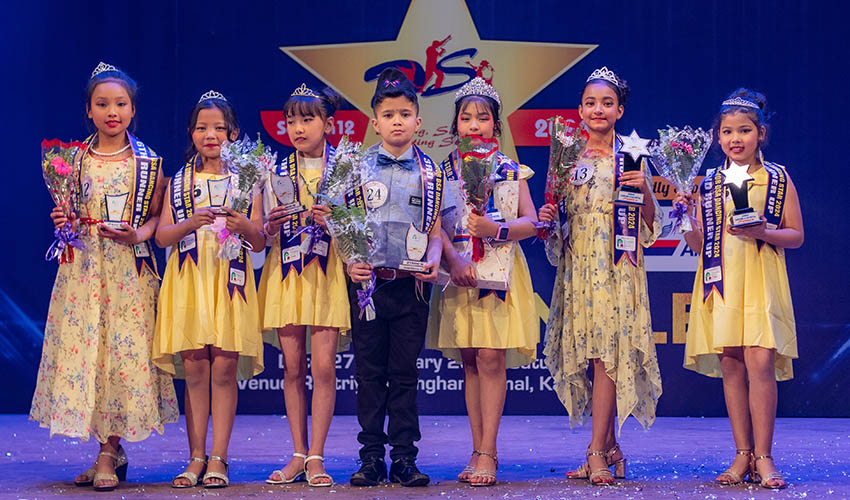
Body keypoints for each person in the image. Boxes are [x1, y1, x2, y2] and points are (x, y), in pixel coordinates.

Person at [30, 62, 178, 492]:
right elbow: (70, 212)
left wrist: (139, 234)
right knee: (92, 360)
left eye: (121, 104)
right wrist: (64, 218)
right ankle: (107, 451)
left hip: (127, 272)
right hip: (84, 271)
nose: (112, 112)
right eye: (102, 104)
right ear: (89, 110)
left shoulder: (147, 162)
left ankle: (108, 453)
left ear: (133, 110)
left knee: (120, 359)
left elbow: (157, 217)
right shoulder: (72, 160)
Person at [538, 66, 662, 485]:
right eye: (590, 103)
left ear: (619, 110)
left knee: (606, 353)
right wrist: (548, 216)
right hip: (579, 268)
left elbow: (650, 225)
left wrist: (644, 189)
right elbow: (558, 217)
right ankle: (612, 450)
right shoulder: (567, 155)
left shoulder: (632, 154)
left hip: (617, 265)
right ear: (580, 110)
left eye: (607, 103)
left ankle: (595, 452)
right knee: (591, 353)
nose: (598, 109)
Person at [677, 89, 802, 490]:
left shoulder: (777, 178)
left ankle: (764, 456)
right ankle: (742, 453)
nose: (736, 139)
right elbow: (699, 245)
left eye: (744, 130)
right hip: (722, 280)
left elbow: (796, 235)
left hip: (761, 279)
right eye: (728, 131)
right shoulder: (710, 183)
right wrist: (686, 216)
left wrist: (763, 230)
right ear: (718, 137)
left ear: (760, 133)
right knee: (731, 364)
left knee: (760, 363)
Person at [426, 77, 539, 486]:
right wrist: (453, 258)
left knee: (491, 358)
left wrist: (496, 229)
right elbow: (434, 225)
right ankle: (476, 449)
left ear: (496, 124)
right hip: (460, 273)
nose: (474, 125)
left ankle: (490, 450)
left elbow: (532, 222)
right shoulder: (443, 171)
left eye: (483, 118)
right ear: (455, 124)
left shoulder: (510, 169)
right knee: (471, 360)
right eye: (466, 118)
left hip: (499, 273)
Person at [153, 90, 265, 489]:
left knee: (224, 370)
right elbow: (162, 237)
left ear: (233, 132)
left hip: (229, 283)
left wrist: (243, 225)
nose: (210, 135)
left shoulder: (246, 180)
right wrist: (190, 222)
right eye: (202, 128)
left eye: (219, 127)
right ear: (191, 133)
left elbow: (260, 241)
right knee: (196, 369)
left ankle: (219, 456)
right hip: (190, 281)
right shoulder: (180, 180)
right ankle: (195, 456)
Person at [346, 68, 443, 487]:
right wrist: (350, 261)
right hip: (367, 286)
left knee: (404, 374)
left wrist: (434, 259)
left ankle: (404, 457)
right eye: (388, 115)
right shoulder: (354, 168)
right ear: (375, 122)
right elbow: (341, 222)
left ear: (418, 121)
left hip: (411, 287)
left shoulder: (432, 172)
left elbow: (436, 231)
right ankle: (370, 458)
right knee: (369, 374)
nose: (397, 121)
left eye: (404, 114)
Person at [259, 84, 350, 487]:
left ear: (328, 124)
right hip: (287, 273)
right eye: (291, 120)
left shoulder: (345, 170)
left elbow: (359, 228)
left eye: (307, 119)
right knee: (293, 367)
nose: (298, 128)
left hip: (327, 272)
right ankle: (298, 453)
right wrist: (270, 225)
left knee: (324, 367)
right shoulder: (275, 172)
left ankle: (317, 456)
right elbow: (262, 233)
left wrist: (335, 219)